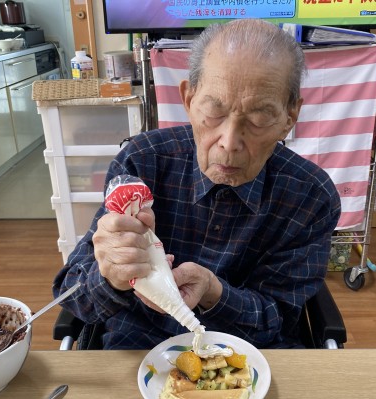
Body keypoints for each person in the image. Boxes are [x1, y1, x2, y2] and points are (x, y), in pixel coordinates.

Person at [53, 19, 341, 349]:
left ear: (290, 116)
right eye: (214, 110)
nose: (229, 142)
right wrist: (111, 275)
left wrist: (213, 291)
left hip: (246, 352)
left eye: (259, 118)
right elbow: (72, 295)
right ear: (189, 100)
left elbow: (276, 319)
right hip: (137, 346)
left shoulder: (310, 196)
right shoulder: (142, 162)